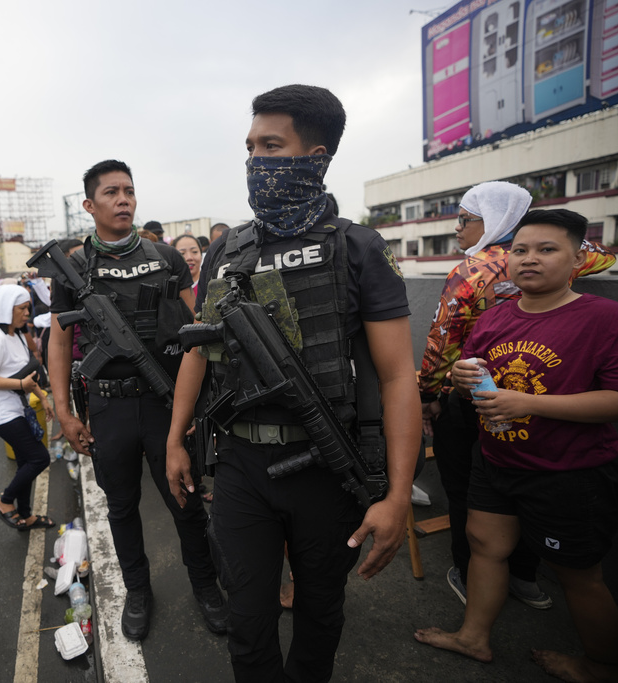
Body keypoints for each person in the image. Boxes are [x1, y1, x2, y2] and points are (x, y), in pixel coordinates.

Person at [165, 85, 420, 682]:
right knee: (247, 620)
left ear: (315, 156)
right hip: (240, 465)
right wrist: (176, 438)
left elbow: (396, 377)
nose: (255, 160)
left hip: (326, 468)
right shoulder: (227, 250)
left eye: (271, 146)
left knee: (319, 613)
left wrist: (398, 495)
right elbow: (199, 351)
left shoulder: (357, 248)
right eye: (250, 147)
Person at [415, 208, 618, 683]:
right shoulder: (494, 317)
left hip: (569, 471)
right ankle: (474, 638)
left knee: (578, 575)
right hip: (496, 458)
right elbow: (474, 376)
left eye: (546, 249)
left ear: (577, 259)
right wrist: (460, 378)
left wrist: (529, 403)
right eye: (520, 250)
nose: (529, 259)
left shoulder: (608, 319)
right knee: (484, 546)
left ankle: (601, 667)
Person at [48, 159, 227, 641]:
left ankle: (206, 587)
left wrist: (201, 403)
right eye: (111, 192)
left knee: (185, 500)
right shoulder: (72, 267)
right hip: (109, 406)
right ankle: (138, 591)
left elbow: (196, 329)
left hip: (165, 403)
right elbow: (60, 342)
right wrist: (64, 411)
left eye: (128, 190)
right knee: (121, 507)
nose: (123, 199)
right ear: (90, 205)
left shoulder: (165, 257)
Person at [0, 284, 56, 531]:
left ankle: (26, 514)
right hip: (1, 413)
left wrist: (43, 397)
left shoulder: (18, 336)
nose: (27, 314)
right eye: (21, 309)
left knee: (26, 463)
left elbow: (26, 374)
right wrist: (21, 384)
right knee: (39, 458)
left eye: (27, 308)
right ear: (6, 309)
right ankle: (5, 501)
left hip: (19, 407)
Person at [172, 234, 204, 298]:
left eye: (194, 252)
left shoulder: (209, 284)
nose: (189, 257)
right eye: (182, 253)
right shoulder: (171, 289)